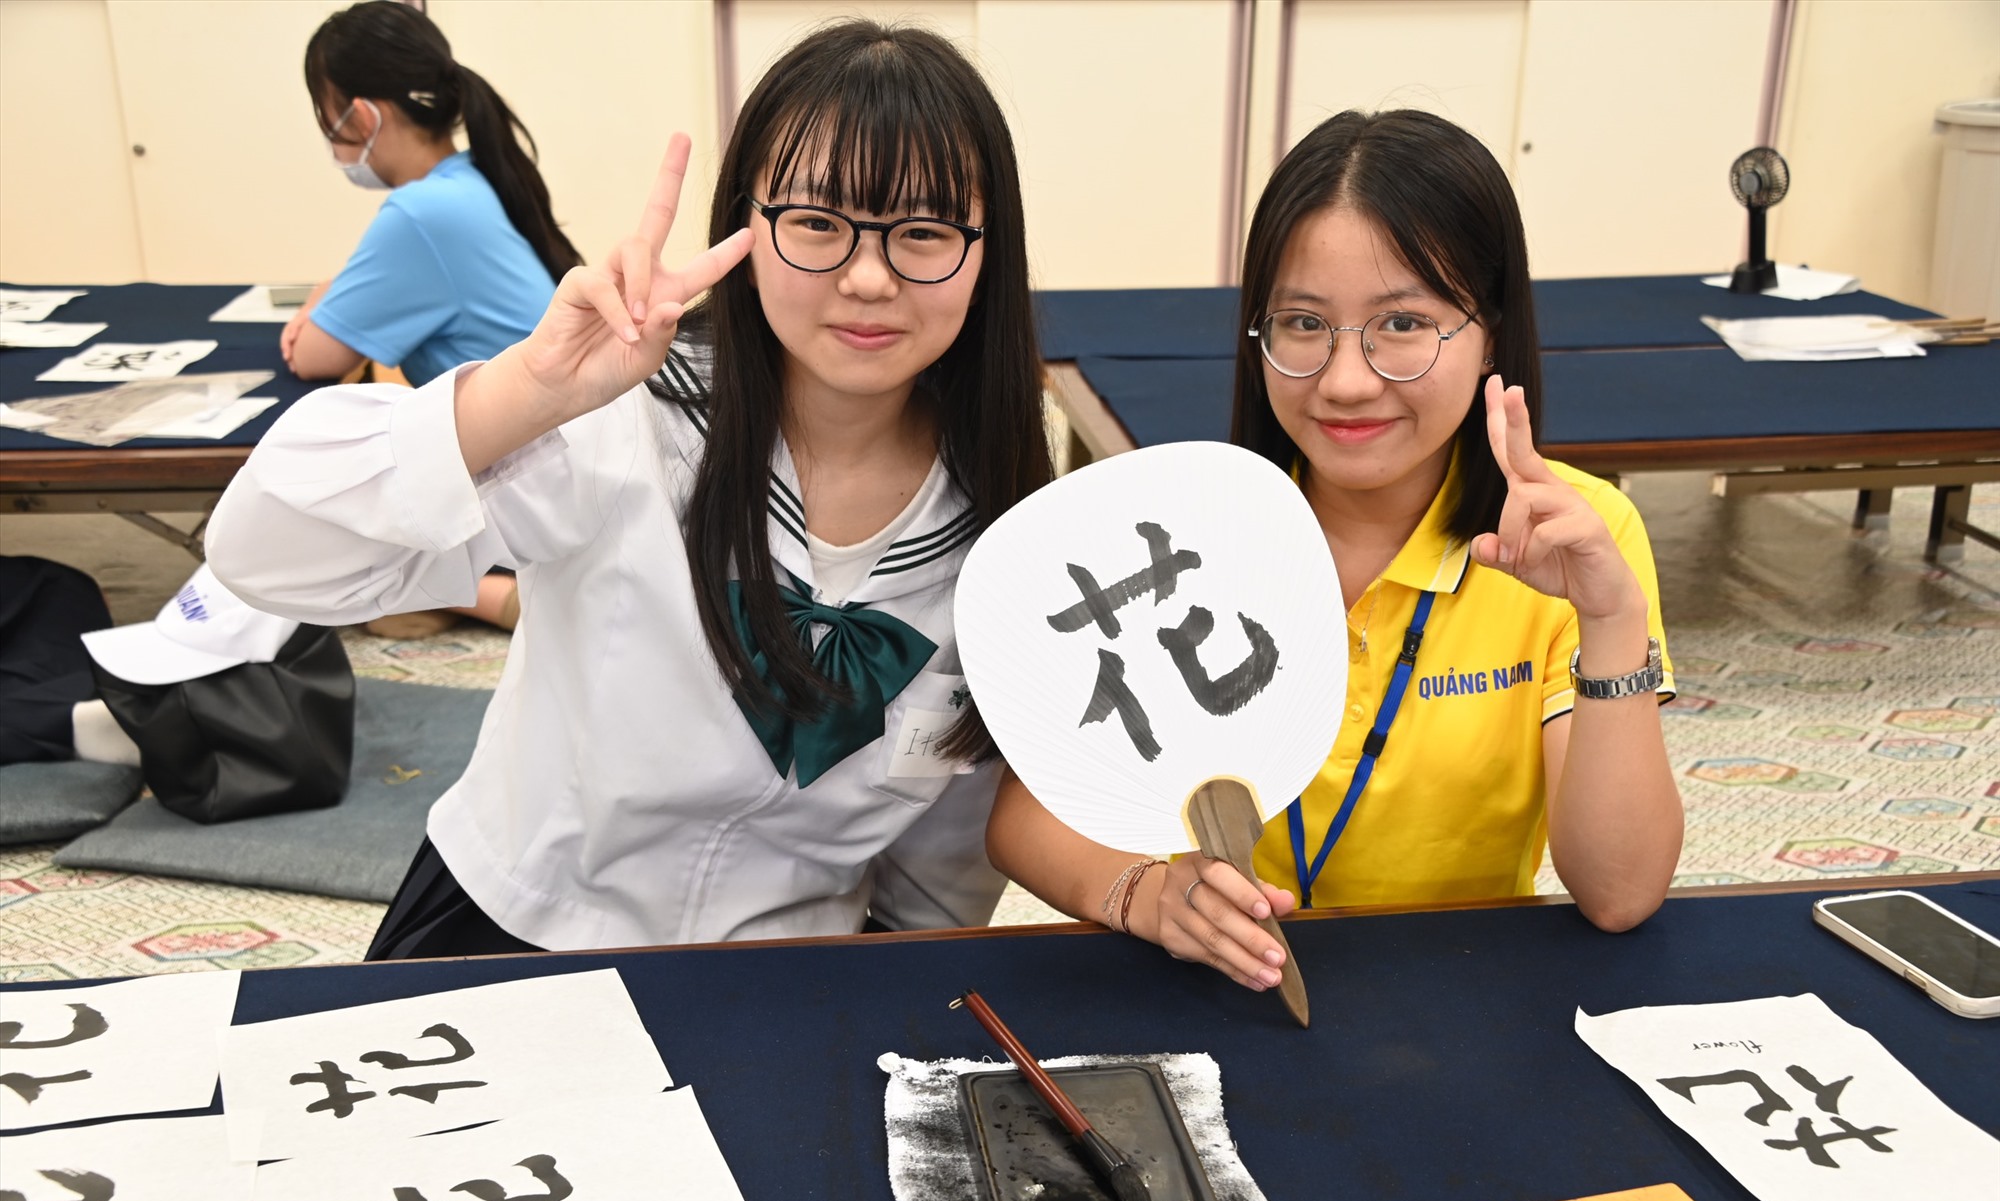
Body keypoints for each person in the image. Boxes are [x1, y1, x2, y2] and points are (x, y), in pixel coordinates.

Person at [206, 21, 1049, 957]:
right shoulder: (631, 419)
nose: (865, 276)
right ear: (747, 226)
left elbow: (941, 855)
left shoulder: (1003, 516)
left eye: (923, 233)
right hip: (521, 929)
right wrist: (524, 391)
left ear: (987, 250)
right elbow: (259, 551)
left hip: (782, 972)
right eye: (817, 222)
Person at [987, 109, 1683, 993]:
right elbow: (1022, 813)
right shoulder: (1183, 527)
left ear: (1492, 332)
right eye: (1304, 324)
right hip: (1209, 998)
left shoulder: (1574, 534)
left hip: (1462, 1001)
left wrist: (1612, 620)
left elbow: (1619, 894)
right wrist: (1148, 894)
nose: (1347, 380)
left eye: (1403, 323)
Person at [284, 0, 583, 633]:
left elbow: (315, 356)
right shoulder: (471, 177)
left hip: (531, 474)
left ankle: (492, 597)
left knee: (309, 527)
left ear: (360, 115)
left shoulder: (420, 213)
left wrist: (316, 302)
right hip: (563, 450)